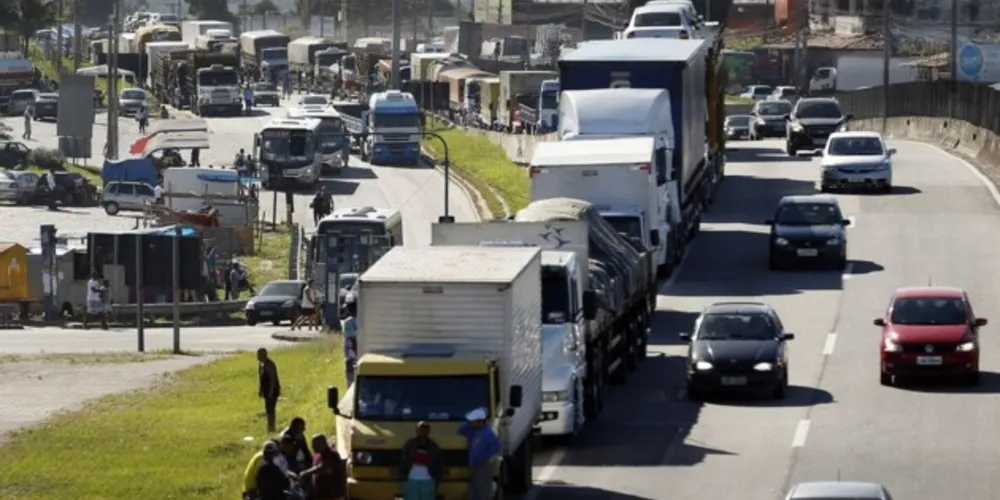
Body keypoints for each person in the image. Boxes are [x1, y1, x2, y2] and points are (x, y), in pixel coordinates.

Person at [458, 408, 501, 500]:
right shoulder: (474, 432)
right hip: (475, 467)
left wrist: (483, 457)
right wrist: (469, 424)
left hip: (483, 466)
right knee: (473, 493)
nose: (472, 423)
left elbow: (496, 445)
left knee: (482, 492)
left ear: (480, 421)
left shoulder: (487, 433)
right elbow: (460, 430)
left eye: (474, 421)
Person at [400, 421, 443, 500]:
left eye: (424, 430)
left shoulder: (433, 446)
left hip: (428, 480)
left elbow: (438, 463)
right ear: (417, 431)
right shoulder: (410, 444)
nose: (422, 432)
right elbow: (404, 461)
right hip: (412, 480)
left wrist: (437, 479)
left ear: (428, 432)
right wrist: (404, 478)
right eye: (420, 430)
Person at [258, 348, 281, 433]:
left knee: (271, 409)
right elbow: (260, 378)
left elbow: (273, 379)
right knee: (267, 408)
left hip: (272, 390)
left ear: (265, 355)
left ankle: (272, 427)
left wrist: (271, 392)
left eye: (260, 355)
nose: (258, 357)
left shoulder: (270, 365)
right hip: (266, 390)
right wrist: (260, 390)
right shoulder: (261, 364)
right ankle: (269, 426)